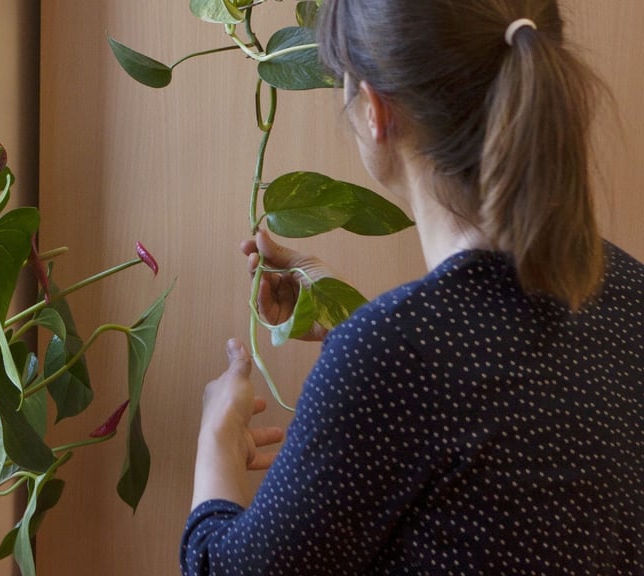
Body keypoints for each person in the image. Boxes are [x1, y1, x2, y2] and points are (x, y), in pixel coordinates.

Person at [181, 0, 644, 574]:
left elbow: (224, 569)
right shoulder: (628, 292)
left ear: (374, 107)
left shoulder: (394, 360)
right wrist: (361, 331)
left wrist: (216, 442)